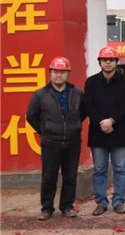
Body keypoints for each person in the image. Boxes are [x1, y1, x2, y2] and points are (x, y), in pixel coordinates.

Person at [27, 57, 86, 220]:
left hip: (72, 141)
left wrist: (72, 126)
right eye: (56, 72)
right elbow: (31, 116)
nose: (59, 75)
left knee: (70, 175)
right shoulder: (40, 95)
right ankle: (47, 208)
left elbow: (82, 113)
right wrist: (45, 130)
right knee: (49, 176)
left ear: (68, 74)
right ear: (50, 73)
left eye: (62, 72)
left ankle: (67, 206)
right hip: (51, 142)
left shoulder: (77, 93)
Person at [83, 46, 125, 216]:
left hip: (118, 130)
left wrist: (112, 120)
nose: (108, 63)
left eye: (111, 60)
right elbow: (89, 105)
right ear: (99, 62)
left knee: (120, 168)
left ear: (116, 62)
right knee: (99, 169)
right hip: (98, 132)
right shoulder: (91, 82)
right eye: (104, 60)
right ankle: (101, 202)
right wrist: (102, 122)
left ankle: (118, 201)